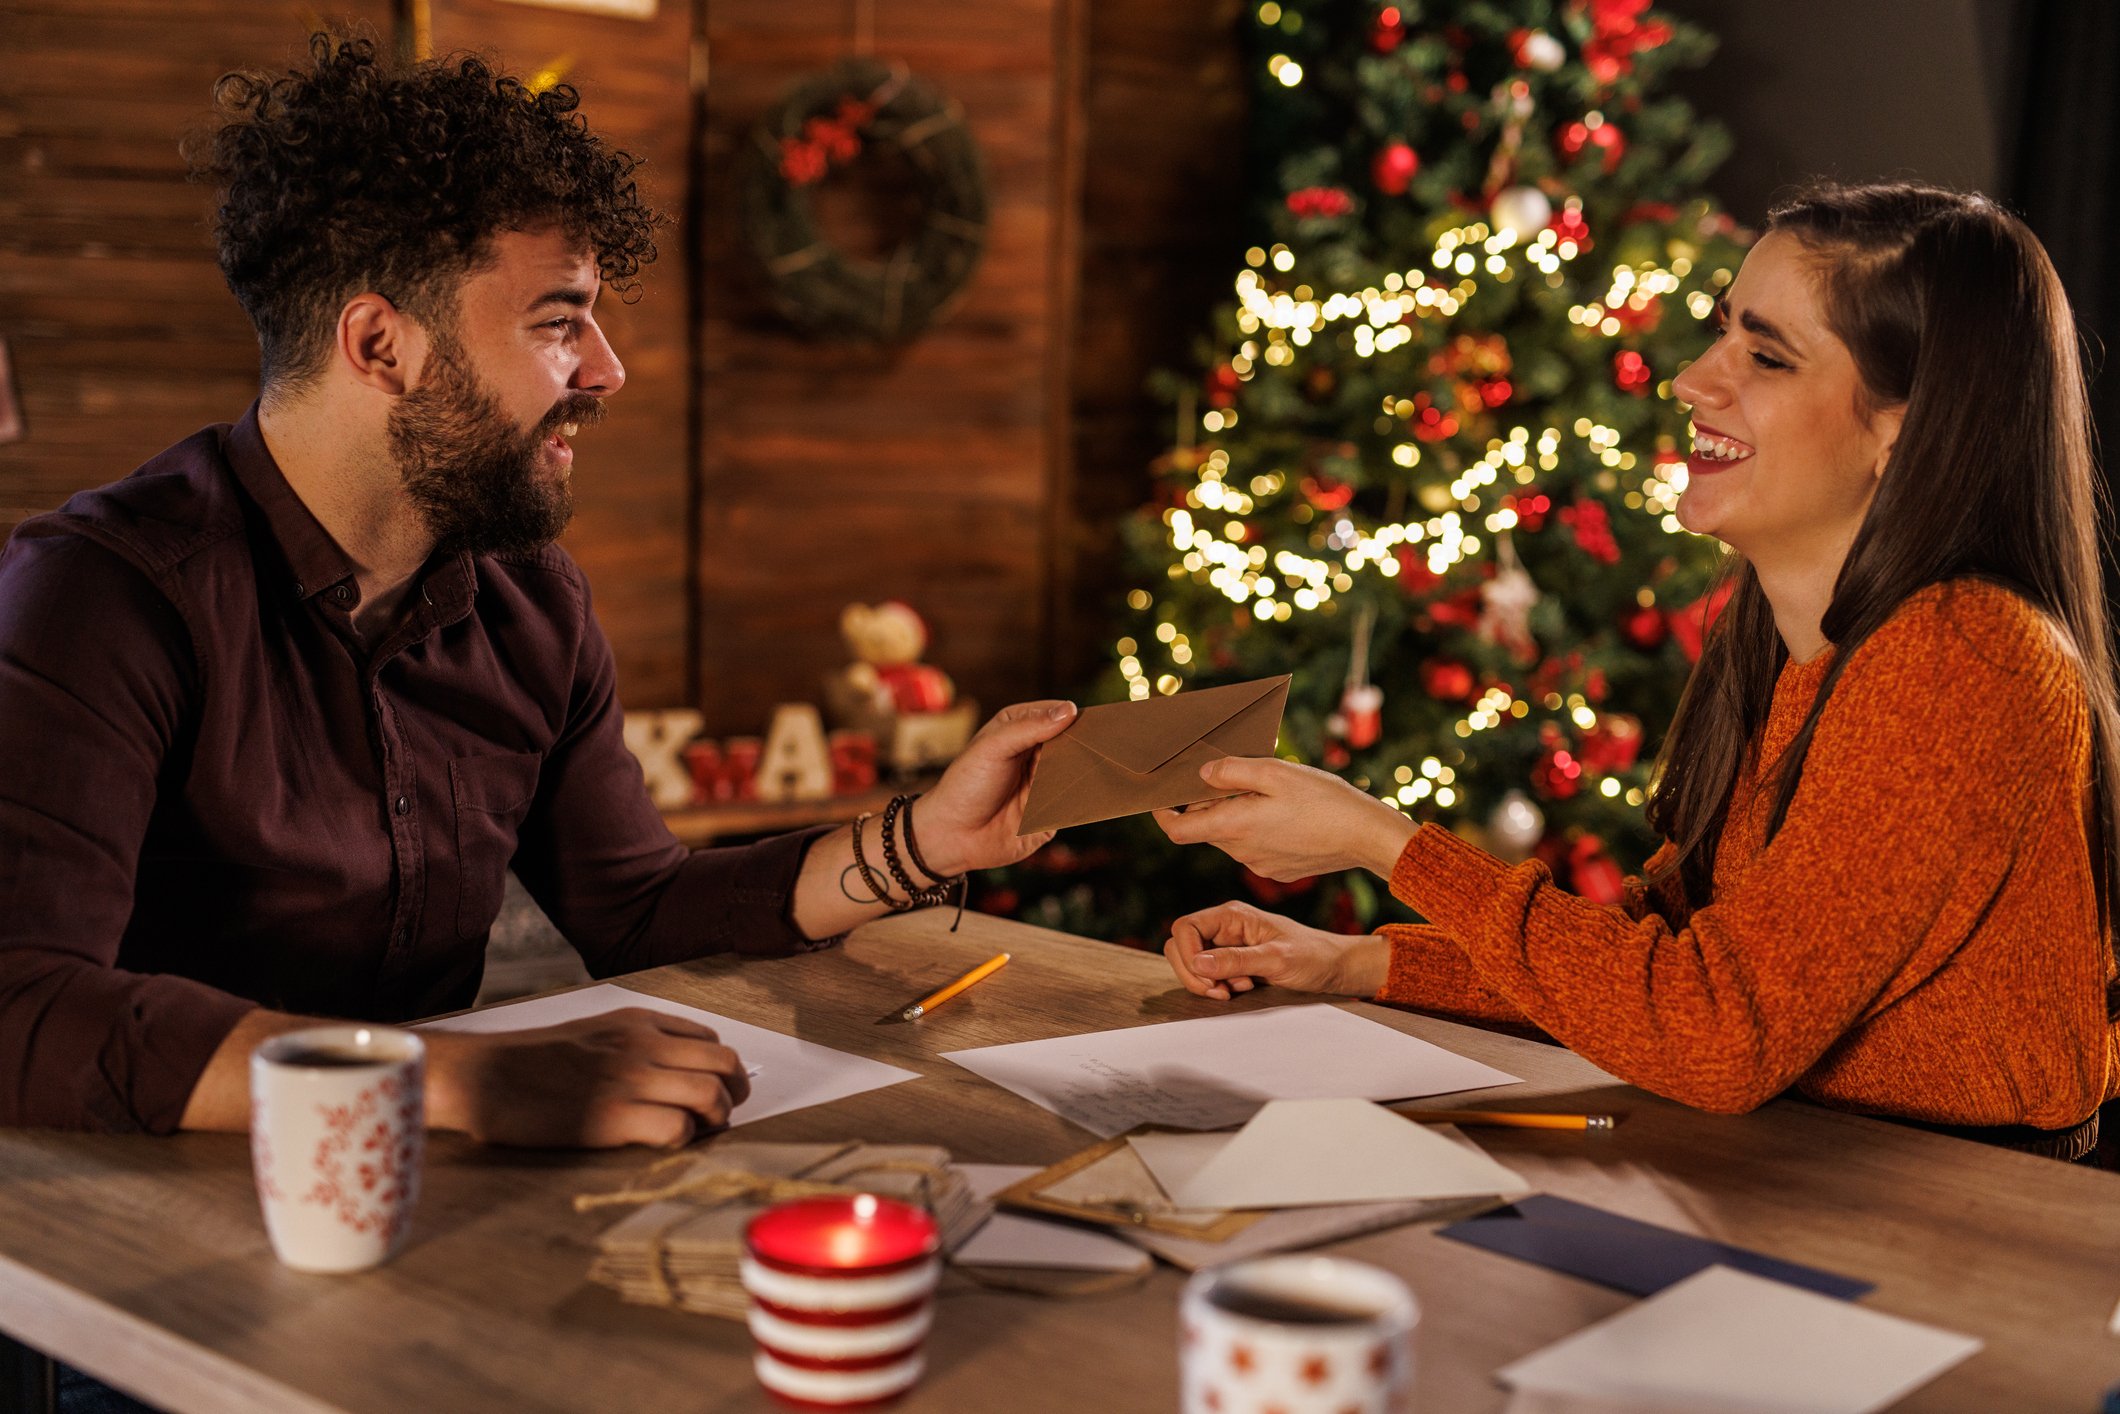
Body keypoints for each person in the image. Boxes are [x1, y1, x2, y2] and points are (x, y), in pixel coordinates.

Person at [0, 35, 1073, 1149]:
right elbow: (17, 1004)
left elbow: (637, 911)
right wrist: (452, 1083)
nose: (606, 369)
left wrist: (924, 840)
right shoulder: (100, 595)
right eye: (558, 321)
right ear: (381, 343)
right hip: (123, 1252)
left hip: (419, 1221)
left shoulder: (529, 602)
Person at [1156, 181, 2120, 1160]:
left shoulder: (1964, 655)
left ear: (1901, 427)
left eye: (1764, 354)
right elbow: (1655, 967)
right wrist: (1353, 962)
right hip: (1808, 1163)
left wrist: (1384, 844)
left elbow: (1712, 1033)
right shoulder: (1783, 638)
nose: (1693, 381)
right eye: (1718, 335)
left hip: (1965, 1211)